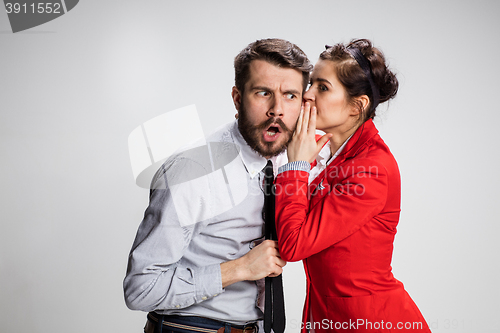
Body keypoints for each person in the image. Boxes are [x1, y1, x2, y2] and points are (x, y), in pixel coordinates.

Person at [123, 38, 312, 333]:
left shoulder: (288, 163)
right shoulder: (192, 171)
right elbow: (140, 288)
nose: (277, 109)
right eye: (263, 93)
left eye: (290, 96)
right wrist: (240, 268)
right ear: (237, 98)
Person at [274, 39, 431, 332]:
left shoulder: (371, 170)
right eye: (311, 84)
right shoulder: (328, 154)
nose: (306, 95)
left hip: (371, 323)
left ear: (356, 106)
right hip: (332, 318)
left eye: (322, 87)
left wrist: (295, 167)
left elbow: (294, 245)